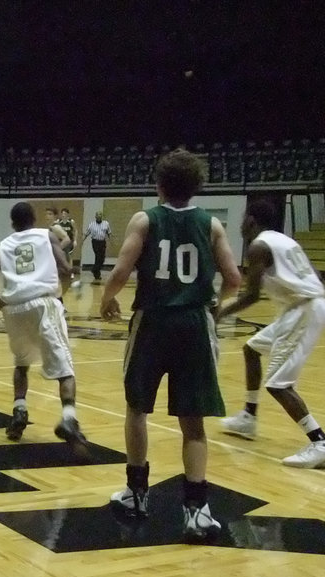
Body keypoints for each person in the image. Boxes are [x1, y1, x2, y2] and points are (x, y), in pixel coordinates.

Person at [99, 148, 241, 541]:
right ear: (197, 186)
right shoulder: (212, 224)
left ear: (158, 184)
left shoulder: (145, 219)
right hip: (195, 322)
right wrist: (217, 307)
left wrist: (107, 297)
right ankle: (196, 510)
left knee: (137, 407)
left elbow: (123, 269)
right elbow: (232, 276)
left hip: (153, 320)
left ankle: (136, 494)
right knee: (192, 420)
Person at [216, 199, 325, 468]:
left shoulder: (259, 246)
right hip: (299, 306)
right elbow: (316, 277)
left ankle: (320, 441)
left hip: (303, 309)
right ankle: (248, 418)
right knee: (251, 349)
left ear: (251, 220)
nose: (241, 224)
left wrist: (220, 312)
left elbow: (252, 295)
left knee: (279, 384)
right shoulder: (283, 240)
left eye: (243, 218)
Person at [0, 202, 86, 447]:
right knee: (65, 370)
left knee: (22, 364)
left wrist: (0, 305)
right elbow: (65, 269)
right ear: (34, 219)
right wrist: (71, 278)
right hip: (43, 304)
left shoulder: (3, 244)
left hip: (14, 309)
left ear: (13, 223)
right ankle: (69, 419)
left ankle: (19, 412)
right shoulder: (47, 235)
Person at [83, 212, 111, 283]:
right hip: (95, 242)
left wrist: (111, 242)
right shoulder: (91, 224)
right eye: (97, 215)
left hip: (102, 242)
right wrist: (82, 241)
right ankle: (95, 270)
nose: (99, 217)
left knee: (102, 258)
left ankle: (96, 272)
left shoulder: (106, 223)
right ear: (95, 216)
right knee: (98, 256)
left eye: (100, 215)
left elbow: (109, 233)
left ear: (102, 216)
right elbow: (86, 233)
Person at [57, 207, 80, 287]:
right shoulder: (58, 222)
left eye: (65, 214)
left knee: (69, 256)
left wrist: (75, 240)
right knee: (60, 256)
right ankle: (61, 272)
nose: (63, 215)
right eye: (62, 213)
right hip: (61, 241)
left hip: (69, 241)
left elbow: (75, 230)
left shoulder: (71, 221)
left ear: (67, 214)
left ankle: (71, 272)